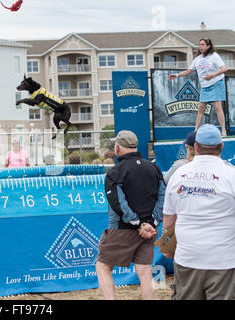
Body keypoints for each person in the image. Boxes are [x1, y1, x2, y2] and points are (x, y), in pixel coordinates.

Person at [162, 124, 235, 300]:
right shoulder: (231, 175)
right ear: (222, 146)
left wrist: (166, 245)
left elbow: (168, 218)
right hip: (222, 259)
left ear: (195, 147)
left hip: (187, 257)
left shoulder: (179, 174)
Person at [95, 130, 165, 300]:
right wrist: (151, 222)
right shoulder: (154, 168)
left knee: (103, 266)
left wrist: (138, 223)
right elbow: (163, 197)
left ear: (118, 147)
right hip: (149, 230)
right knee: (144, 271)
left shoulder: (115, 172)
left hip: (122, 230)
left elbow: (118, 203)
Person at [168, 38, 228, 136]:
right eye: (199, 44)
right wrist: (176, 75)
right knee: (201, 108)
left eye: (203, 44)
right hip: (205, 86)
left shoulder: (214, 56)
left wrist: (212, 75)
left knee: (218, 107)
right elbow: (188, 71)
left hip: (217, 83)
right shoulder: (198, 59)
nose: (200, 46)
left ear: (208, 46)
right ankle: (196, 132)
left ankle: (224, 131)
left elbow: (224, 68)